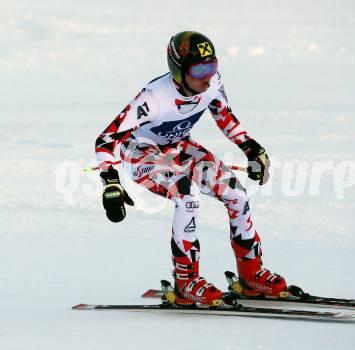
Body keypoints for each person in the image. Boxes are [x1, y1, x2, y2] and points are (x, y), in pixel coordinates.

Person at [95, 31, 287, 305]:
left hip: (178, 145)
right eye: (199, 69)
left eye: (212, 66)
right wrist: (111, 182)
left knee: (237, 194)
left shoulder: (211, 85)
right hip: (139, 150)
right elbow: (106, 139)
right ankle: (185, 281)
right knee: (187, 194)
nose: (207, 76)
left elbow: (224, 115)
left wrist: (250, 147)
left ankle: (251, 275)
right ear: (178, 70)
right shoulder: (153, 98)